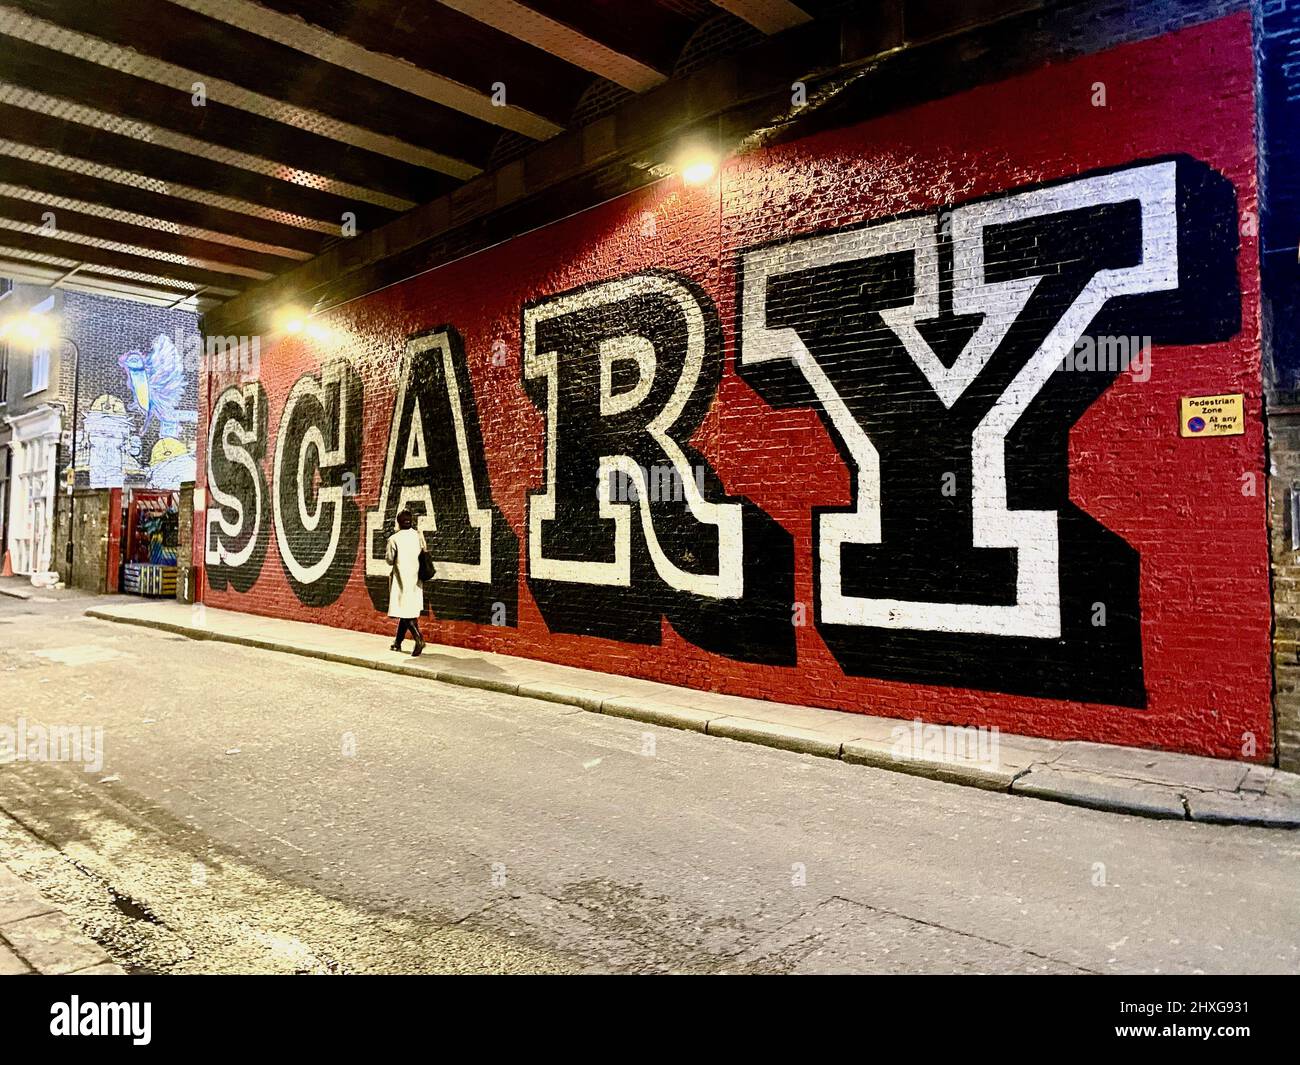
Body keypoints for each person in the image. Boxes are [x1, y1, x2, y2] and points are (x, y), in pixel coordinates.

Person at [386, 509, 427, 656]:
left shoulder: (394, 539)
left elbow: (389, 560)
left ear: (398, 522)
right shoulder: (418, 536)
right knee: (408, 611)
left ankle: (418, 639)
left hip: (402, 580)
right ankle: (397, 643)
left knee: (405, 611)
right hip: (416, 579)